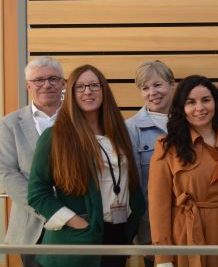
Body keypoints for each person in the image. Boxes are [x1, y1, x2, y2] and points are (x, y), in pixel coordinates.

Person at [27, 65, 144, 267]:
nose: (87, 91)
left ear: (103, 90)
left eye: (93, 85)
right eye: (79, 87)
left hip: (117, 237)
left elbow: (130, 183)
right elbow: (37, 193)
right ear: (70, 93)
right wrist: (77, 223)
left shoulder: (119, 134)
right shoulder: (55, 137)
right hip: (76, 243)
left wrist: (130, 225)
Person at [149, 75, 218, 267]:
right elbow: (158, 208)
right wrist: (163, 259)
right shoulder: (168, 148)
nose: (200, 108)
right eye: (191, 102)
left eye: (206, 100)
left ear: (215, 104)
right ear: (181, 108)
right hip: (185, 239)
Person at [0, 57, 65, 267]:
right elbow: (7, 173)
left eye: (53, 79)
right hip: (32, 228)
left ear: (63, 83)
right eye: (39, 80)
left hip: (79, 222)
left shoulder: (81, 121)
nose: (47, 84)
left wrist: (70, 213)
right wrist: (49, 208)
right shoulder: (9, 124)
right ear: (28, 86)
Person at [124, 60, 175, 263]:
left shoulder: (191, 121)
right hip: (152, 232)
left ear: (173, 85)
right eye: (145, 88)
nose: (152, 92)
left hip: (189, 228)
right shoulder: (131, 129)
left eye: (157, 85)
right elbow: (136, 188)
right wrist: (146, 236)